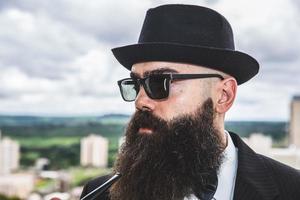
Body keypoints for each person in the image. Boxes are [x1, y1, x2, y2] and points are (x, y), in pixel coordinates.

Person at [80, 4, 300, 200]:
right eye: (136, 84)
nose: (140, 101)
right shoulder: (100, 194)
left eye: (160, 82)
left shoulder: (292, 190)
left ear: (224, 95)